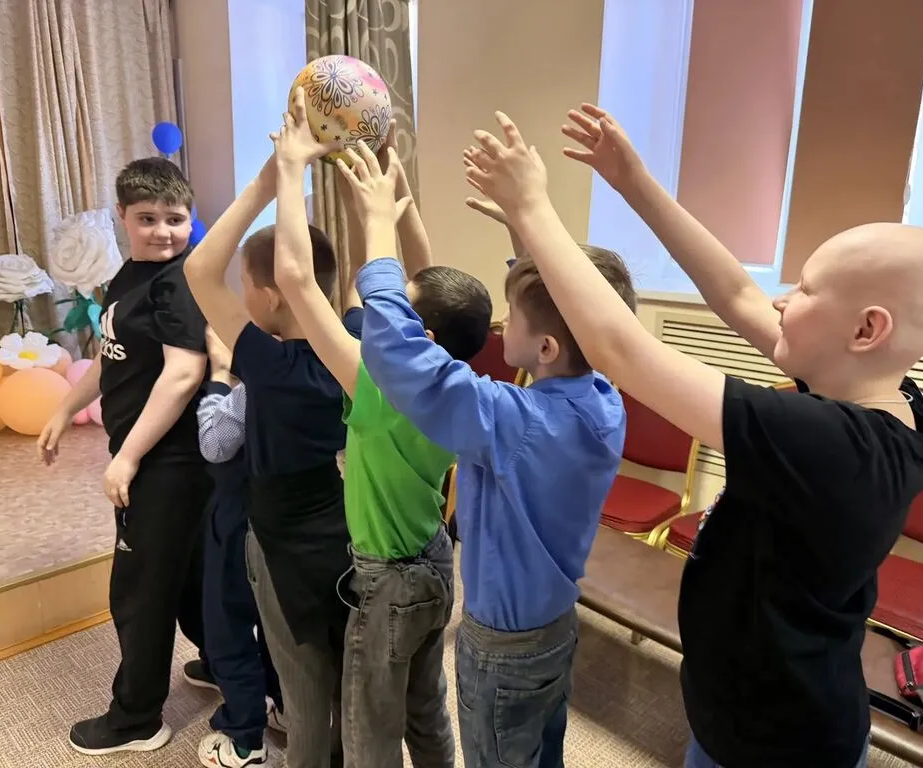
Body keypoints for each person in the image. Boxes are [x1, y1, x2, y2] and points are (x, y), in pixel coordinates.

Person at [463, 106, 923, 767]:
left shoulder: (832, 445)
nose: (780, 300)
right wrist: (632, 180)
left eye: (805, 290)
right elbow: (736, 293)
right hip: (746, 705)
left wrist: (530, 209)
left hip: (774, 741)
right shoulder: (883, 394)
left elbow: (621, 350)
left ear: (867, 329)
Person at [346, 136, 634, 767]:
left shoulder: (513, 421)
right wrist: (526, 237)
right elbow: (570, 307)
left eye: (513, 311)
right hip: (554, 629)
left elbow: (400, 354)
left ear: (546, 348)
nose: (505, 320)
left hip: (503, 650)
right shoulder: (604, 400)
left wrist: (377, 228)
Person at [271, 100, 491, 767]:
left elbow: (294, 279)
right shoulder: (459, 380)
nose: (376, 311)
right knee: (426, 710)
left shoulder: (377, 385)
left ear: (419, 333)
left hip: (389, 583)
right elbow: (425, 278)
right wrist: (390, 182)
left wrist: (290, 167)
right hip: (435, 562)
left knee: (369, 731)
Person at [182, 137, 349, 768]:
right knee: (338, 663)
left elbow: (200, 270)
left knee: (296, 665)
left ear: (274, 295)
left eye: (249, 286)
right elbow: (349, 279)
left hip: (279, 542)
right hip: (342, 528)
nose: (244, 296)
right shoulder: (355, 345)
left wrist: (267, 182)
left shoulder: (270, 365)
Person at [38, 157, 211, 755]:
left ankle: (137, 718)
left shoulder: (180, 282)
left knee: (139, 591)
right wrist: (65, 408)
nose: (162, 231)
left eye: (175, 219)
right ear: (122, 216)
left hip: (171, 462)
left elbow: (184, 373)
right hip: (163, 461)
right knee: (188, 573)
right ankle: (223, 664)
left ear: (191, 217)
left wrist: (129, 457)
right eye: (147, 218)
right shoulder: (132, 274)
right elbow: (112, 352)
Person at [193, 326, 287, 767]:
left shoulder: (265, 376)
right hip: (292, 517)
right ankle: (286, 707)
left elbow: (215, 444)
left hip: (240, 516)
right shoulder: (331, 358)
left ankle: (245, 738)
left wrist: (219, 374)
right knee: (278, 622)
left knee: (226, 625)